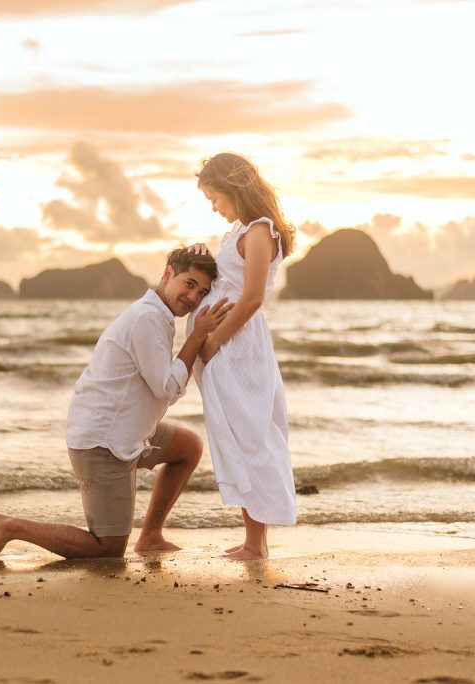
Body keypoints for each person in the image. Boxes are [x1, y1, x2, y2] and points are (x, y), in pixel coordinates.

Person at [0, 248, 231, 559]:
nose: (194, 297)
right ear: (168, 274)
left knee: (188, 447)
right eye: (189, 284)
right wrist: (196, 338)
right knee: (108, 549)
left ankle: (151, 536)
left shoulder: (159, 316)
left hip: (128, 431)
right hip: (103, 441)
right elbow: (165, 386)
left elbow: (163, 386)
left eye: (203, 291)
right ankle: (7, 526)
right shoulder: (148, 318)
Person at [188, 152, 298, 560]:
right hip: (225, 346)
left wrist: (215, 342)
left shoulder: (258, 231)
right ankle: (254, 540)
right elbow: (226, 282)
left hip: (237, 347)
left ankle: (256, 544)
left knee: (251, 435)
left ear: (232, 187)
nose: (214, 208)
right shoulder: (238, 229)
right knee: (237, 436)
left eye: (214, 197)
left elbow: (251, 298)